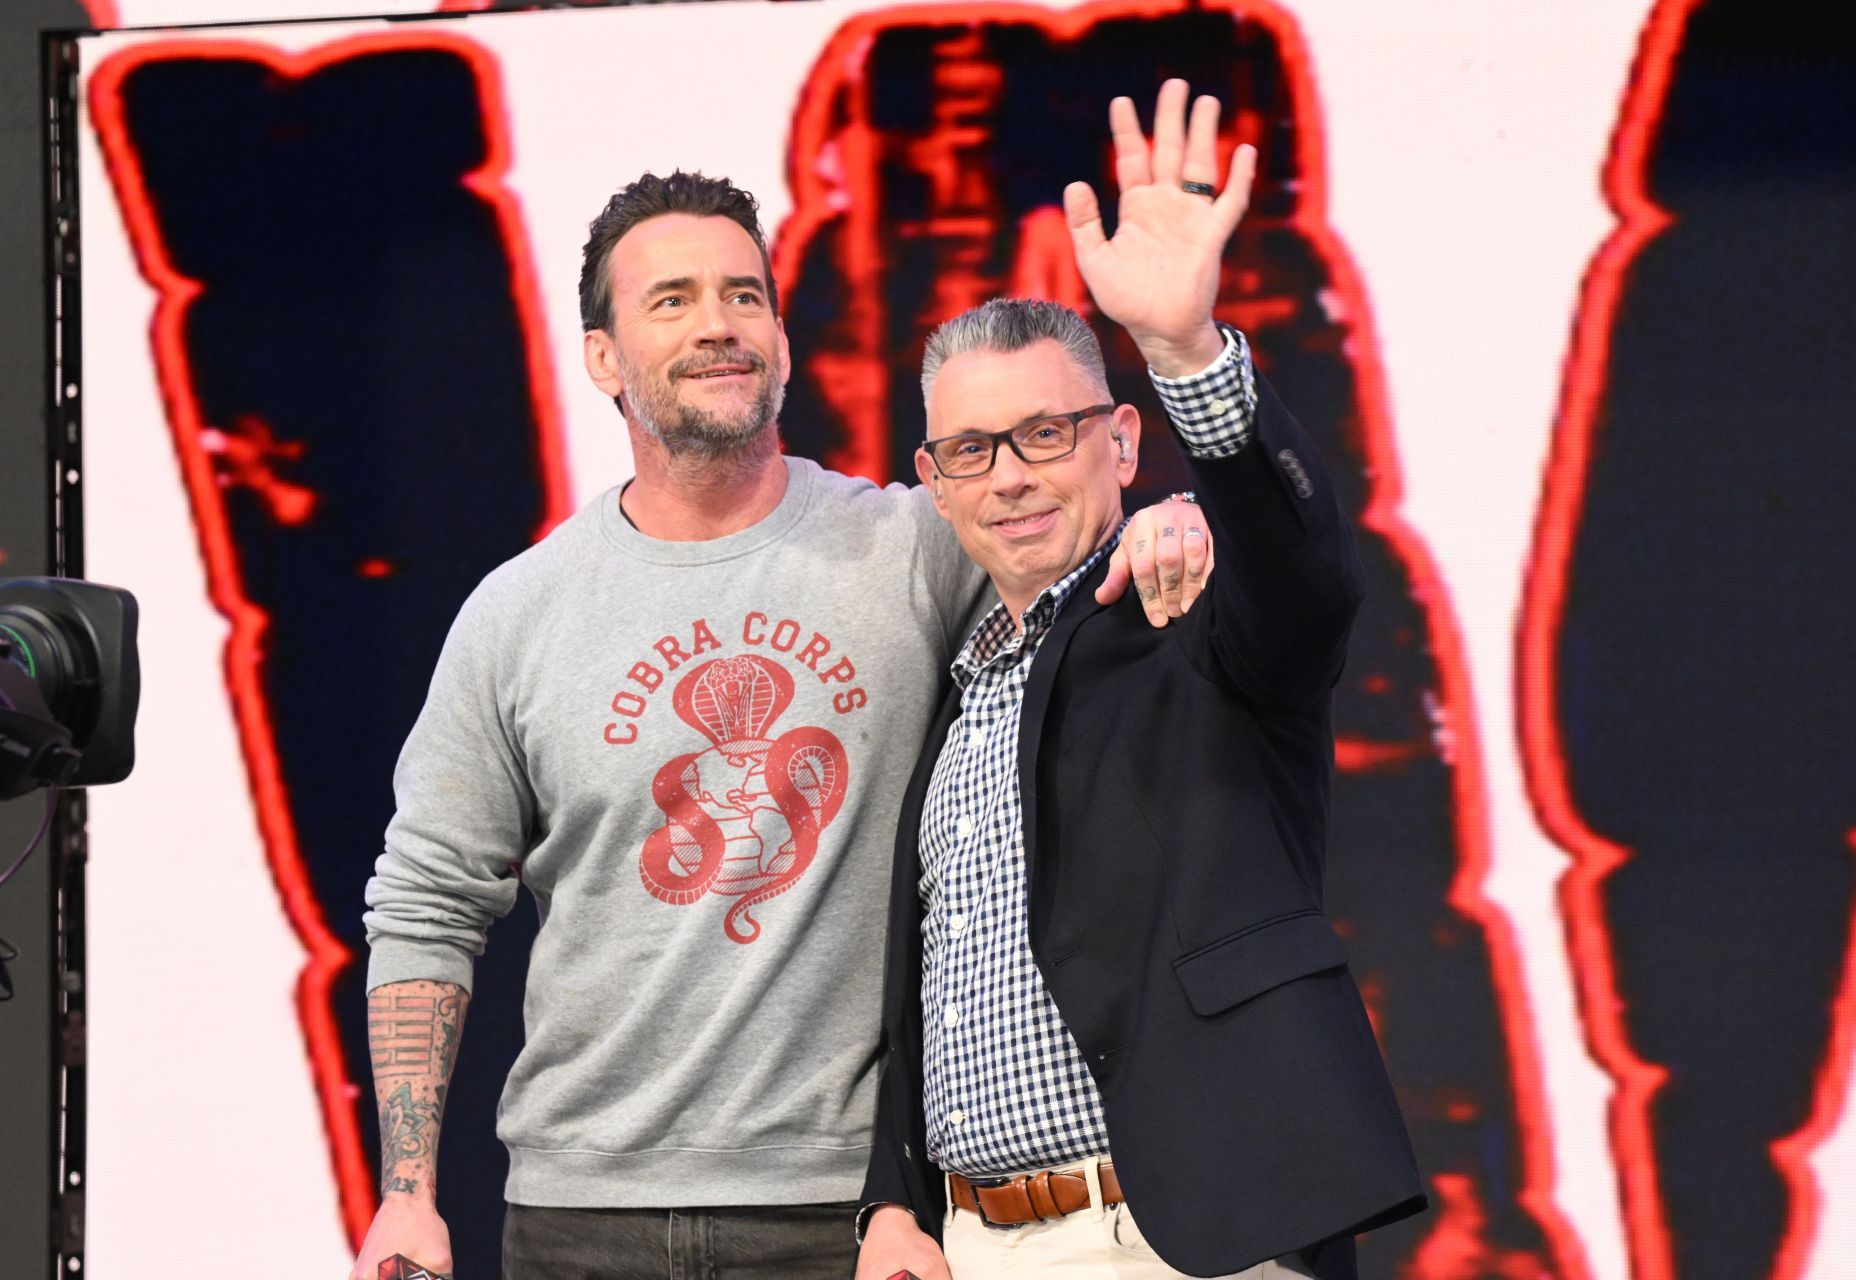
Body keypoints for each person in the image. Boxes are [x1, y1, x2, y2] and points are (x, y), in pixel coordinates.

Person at [349, 170, 1212, 1280]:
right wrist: (406, 1192)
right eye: (671, 299)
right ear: (603, 357)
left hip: (857, 1213)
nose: (717, 322)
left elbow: (1068, 524)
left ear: (783, 338)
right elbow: (426, 899)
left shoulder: (915, 541)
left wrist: (1179, 514)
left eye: (744, 294)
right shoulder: (517, 613)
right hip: (579, 1213)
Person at [852, 81, 1426, 1280]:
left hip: (1184, 1239)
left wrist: (1182, 349)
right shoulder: (956, 703)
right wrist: (894, 1202)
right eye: (972, 450)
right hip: (977, 1241)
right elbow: (933, 984)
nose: (1008, 475)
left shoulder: (1189, 608)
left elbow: (1303, 577)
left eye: (1044, 435)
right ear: (935, 482)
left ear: (1120, 439)